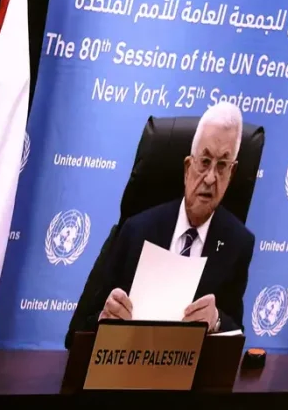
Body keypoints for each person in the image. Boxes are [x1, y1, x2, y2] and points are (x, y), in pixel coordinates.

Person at [93, 102, 255, 333]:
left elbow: (234, 332)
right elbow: (81, 327)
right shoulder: (135, 230)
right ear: (188, 167)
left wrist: (217, 320)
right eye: (205, 162)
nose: (210, 178)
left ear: (232, 173)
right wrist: (105, 318)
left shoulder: (238, 243)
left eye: (222, 166)